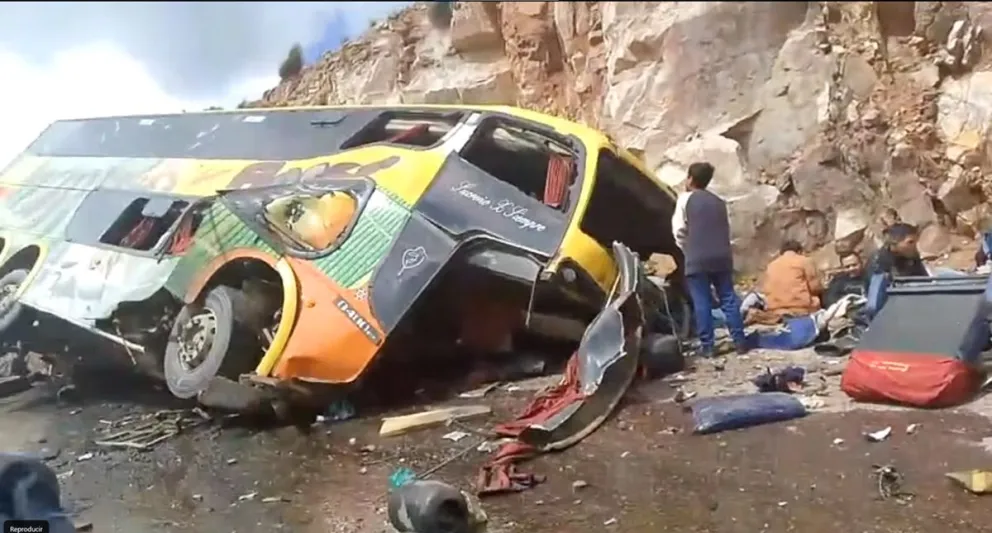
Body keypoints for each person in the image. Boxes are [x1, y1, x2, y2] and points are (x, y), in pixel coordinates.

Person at [671, 162, 748, 357]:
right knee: (728, 298)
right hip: (722, 256)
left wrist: (687, 249)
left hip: (697, 258)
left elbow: (679, 230)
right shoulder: (719, 201)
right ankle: (740, 341)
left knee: (701, 301)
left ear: (690, 179)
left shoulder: (685, 200)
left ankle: (708, 347)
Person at [747, 240, 823, 325]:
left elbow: (767, 290)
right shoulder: (805, 261)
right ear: (799, 251)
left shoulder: (771, 265)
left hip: (775, 310)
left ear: (781, 253)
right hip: (800, 309)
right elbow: (815, 288)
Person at [863, 222, 927, 288]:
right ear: (894, 242)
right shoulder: (878, 262)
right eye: (910, 242)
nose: (916, 246)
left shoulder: (913, 258)